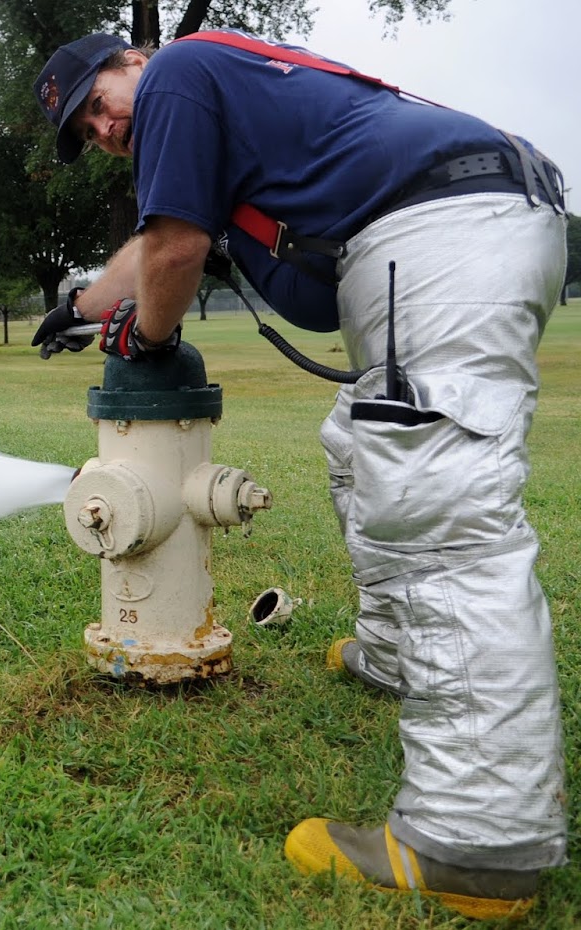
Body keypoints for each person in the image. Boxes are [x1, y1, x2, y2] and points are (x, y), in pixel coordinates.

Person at [30, 30, 567, 920]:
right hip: (448, 226)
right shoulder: (205, 93)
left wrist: (147, 336)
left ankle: (479, 842)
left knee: (437, 513)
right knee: (362, 444)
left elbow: (173, 250)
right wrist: (81, 309)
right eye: (87, 129)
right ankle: (398, 656)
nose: (104, 126)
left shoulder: (176, 77)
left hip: (443, 231)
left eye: (99, 99)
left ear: (136, 57)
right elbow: (146, 251)